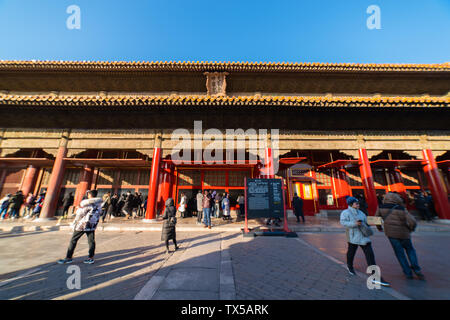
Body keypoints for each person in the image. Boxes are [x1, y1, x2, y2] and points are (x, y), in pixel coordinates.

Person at [340, 196, 390, 287]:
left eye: (358, 203)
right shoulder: (345, 213)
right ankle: (350, 266)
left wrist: (378, 221)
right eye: (356, 203)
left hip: (363, 236)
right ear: (351, 204)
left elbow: (366, 220)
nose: (358, 205)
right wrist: (354, 223)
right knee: (351, 252)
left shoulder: (361, 212)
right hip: (353, 237)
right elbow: (343, 222)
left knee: (370, 255)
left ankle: (375, 277)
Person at [375, 192, 425, 280]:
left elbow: (376, 219)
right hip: (404, 233)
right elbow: (412, 221)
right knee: (410, 250)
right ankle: (416, 268)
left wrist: (379, 227)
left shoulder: (381, 207)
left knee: (399, 253)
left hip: (391, 234)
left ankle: (407, 272)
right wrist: (411, 229)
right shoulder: (401, 208)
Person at [57, 190, 102, 265]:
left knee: (73, 240)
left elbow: (80, 213)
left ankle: (68, 257)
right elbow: (99, 213)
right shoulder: (99, 204)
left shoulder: (87, 203)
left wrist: (78, 210)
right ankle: (91, 258)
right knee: (91, 241)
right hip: (92, 224)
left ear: (90, 195)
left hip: (83, 224)